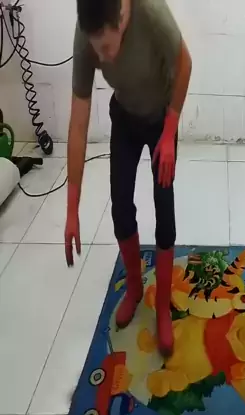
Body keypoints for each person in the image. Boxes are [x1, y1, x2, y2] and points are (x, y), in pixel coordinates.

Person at [64, 0, 192, 356]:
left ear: (121, 19)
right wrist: (72, 211)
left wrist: (170, 133)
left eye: (107, 47)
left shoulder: (150, 11)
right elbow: (78, 125)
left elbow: (185, 64)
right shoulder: (87, 36)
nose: (102, 58)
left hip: (161, 117)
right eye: (97, 50)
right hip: (125, 117)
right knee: (120, 205)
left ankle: (162, 306)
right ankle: (135, 289)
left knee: (163, 207)